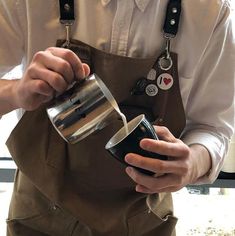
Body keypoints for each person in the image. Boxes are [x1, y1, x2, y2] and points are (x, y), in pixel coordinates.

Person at [0, 0, 234, 235]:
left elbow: (214, 127)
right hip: (39, 216)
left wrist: (193, 163)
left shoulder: (210, 11)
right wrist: (16, 92)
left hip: (144, 220)